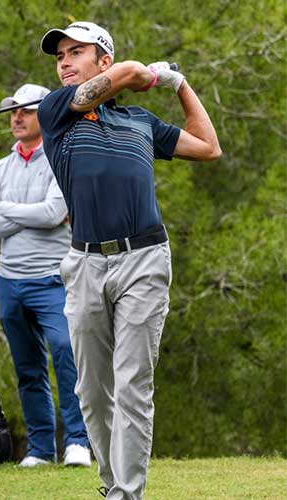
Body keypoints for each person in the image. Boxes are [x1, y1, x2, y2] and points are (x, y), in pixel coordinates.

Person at [37, 22, 221, 499]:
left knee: (133, 382)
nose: (64, 61)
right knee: (93, 394)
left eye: (76, 52)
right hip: (84, 265)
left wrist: (178, 85)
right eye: (60, 55)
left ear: (102, 59)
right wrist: (142, 72)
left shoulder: (140, 121)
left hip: (144, 259)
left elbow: (208, 147)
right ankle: (111, 484)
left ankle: (127, 494)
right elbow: (119, 78)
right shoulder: (57, 111)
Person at [0, 83, 91, 468]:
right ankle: (41, 449)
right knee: (28, 367)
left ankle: (77, 441)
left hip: (52, 278)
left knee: (66, 355)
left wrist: (7, 210)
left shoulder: (61, 157)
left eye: (26, 111)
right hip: (10, 281)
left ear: (44, 114)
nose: (17, 117)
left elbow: (52, 215)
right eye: (13, 110)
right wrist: (29, 211)